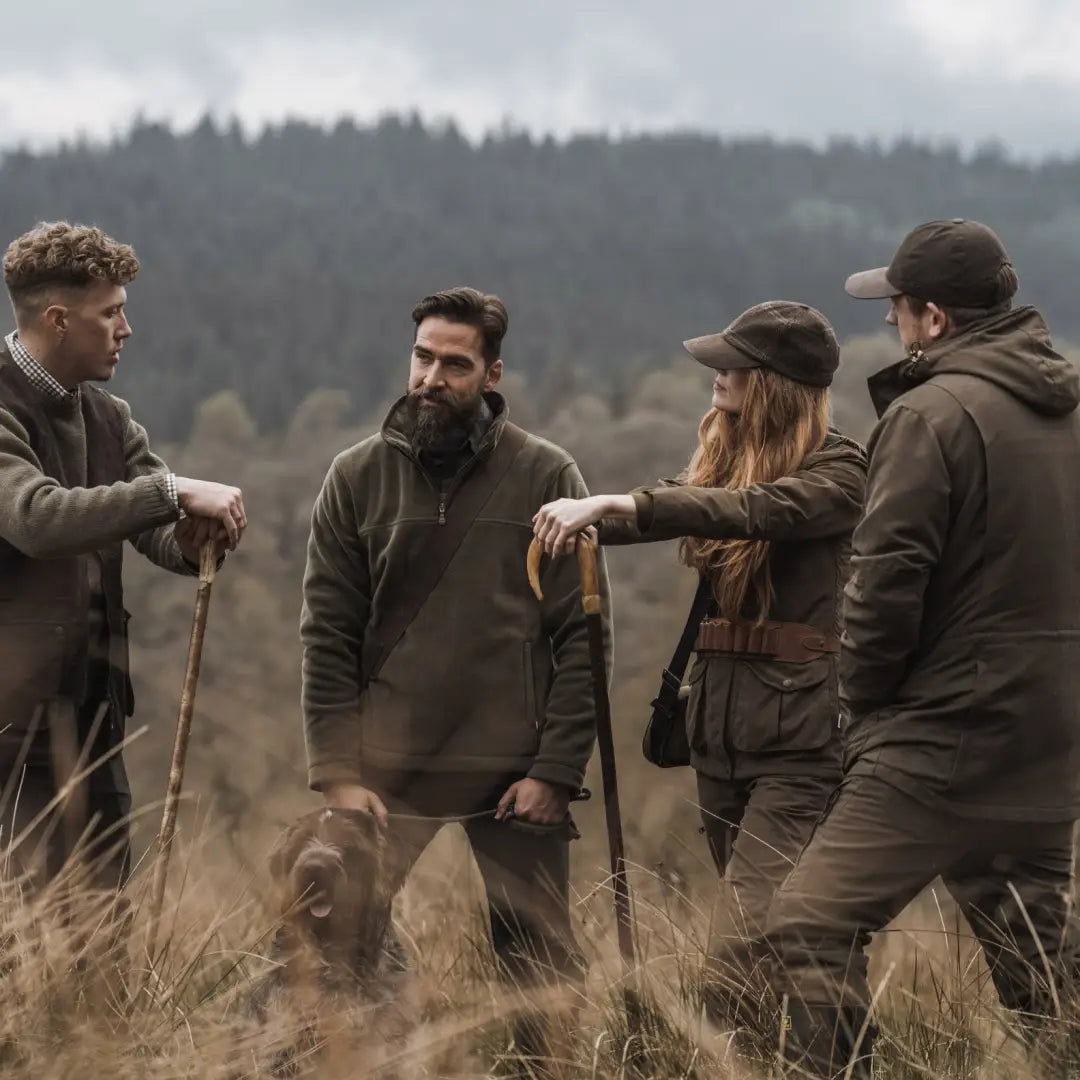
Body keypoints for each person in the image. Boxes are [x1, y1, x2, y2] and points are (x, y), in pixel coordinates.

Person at [766, 219, 1080, 1077]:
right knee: (1040, 973)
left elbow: (884, 581)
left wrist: (862, 708)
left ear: (933, 319)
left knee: (809, 924)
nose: (894, 327)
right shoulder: (1072, 408)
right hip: (1050, 742)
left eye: (897, 311)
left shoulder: (928, 414)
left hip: (939, 740)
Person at [532, 300, 866, 1037]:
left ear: (775, 382)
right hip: (721, 737)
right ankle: (830, 1055)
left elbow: (757, 510)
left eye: (732, 363)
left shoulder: (841, 471)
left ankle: (733, 1055)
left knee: (743, 937)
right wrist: (577, 515)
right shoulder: (724, 460)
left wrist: (630, 502)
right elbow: (691, 505)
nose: (716, 374)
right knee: (801, 934)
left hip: (804, 746)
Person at [300, 287, 610, 1014]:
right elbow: (327, 633)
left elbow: (584, 637)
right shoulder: (355, 477)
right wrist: (337, 773)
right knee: (337, 943)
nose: (431, 379)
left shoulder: (547, 475)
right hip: (386, 770)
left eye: (455, 365)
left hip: (514, 774)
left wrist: (557, 771)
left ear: (492, 375)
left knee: (539, 963)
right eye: (422, 357)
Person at [0, 220, 247, 895]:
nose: (125, 329)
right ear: (56, 319)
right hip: (9, 720)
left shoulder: (110, 419)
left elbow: (156, 530)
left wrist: (196, 541)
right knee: (19, 924)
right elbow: (35, 518)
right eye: (110, 313)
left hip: (93, 706)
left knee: (103, 914)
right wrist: (171, 491)